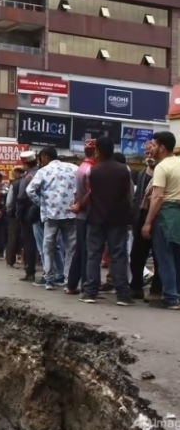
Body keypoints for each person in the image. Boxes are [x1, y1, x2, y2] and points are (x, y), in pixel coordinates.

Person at [76, 136, 134, 306]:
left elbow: (88, 194)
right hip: (118, 218)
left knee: (93, 255)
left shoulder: (93, 171)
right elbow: (129, 195)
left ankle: (90, 292)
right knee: (118, 255)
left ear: (98, 150)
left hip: (96, 218)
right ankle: (122, 295)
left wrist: (80, 205)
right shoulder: (124, 170)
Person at [26, 147, 77, 290]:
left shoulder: (43, 171)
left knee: (48, 247)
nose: (40, 161)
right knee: (70, 248)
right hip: (69, 213)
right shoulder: (73, 168)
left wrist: (42, 203)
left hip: (51, 214)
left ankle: (49, 279)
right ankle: (68, 279)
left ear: (46, 157)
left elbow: (30, 190)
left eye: (40, 158)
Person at [142, 131, 180, 310]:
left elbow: (157, 197)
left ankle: (171, 297)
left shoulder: (162, 167)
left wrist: (148, 222)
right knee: (177, 257)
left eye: (155, 145)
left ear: (162, 148)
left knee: (165, 257)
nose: (152, 149)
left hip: (166, 213)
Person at [130, 139, 162, 300]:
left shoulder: (163, 171)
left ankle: (157, 289)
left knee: (159, 257)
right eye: (147, 153)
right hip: (141, 218)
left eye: (152, 152)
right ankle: (136, 287)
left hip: (158, 219)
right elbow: (137, 199)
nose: (149, 156)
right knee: (137, 255)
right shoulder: (142, 174)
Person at [66, 139, 97, 295]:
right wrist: (80, 205)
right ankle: (86, 285)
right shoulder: (90, 170)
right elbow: (91, 193)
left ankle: (72, 284)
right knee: (87, 251)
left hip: (81, 216)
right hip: (87, 214)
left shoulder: (81, 168)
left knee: (80, 250)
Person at [17, 151, 40, 281]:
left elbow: (21, 197)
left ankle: (30, 271)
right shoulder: (40, 172)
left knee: (29, 243)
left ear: (25, 163)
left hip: (29, 213)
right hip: (39, 211)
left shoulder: (29, 176)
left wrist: (18, 213)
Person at [5, 167, 24, 267]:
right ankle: (25, 260)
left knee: (12, 237)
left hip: (14, 213)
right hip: (26, 213)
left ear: (17, 173)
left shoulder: (14, 184)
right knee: (25, 237)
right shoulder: (28, 181)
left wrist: (8, 210)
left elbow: (9, 201)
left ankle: (10, 260)